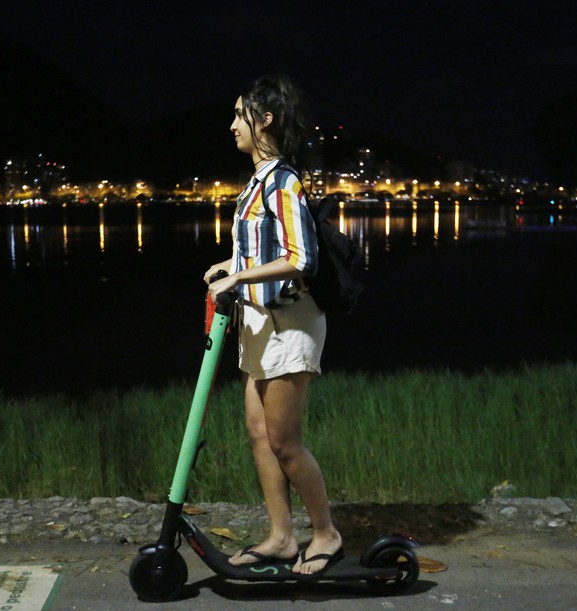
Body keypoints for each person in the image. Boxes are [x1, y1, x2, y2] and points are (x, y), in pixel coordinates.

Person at [205, 74, 343, 577]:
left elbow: (301, 258)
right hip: (259, 321)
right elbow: (259, 250)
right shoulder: (257, 182)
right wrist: (230, 266)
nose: (233, 124)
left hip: (290, 323)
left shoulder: (284, 180)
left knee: (285, 441)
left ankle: (325, 532)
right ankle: (282, 537)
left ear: (264, 120)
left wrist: (239, 274)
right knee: (258, 433)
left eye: (241, 114)